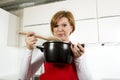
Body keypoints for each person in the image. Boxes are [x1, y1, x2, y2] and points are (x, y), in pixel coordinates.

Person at [20, 10, 92, 80]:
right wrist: (29, 49)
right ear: (53, 29)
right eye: (56, 26)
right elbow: (25, 77)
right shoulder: (47, 48)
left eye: (64, 25)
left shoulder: (77, 50)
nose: (60, 29)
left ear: (71, 27)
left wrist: (79, 59)